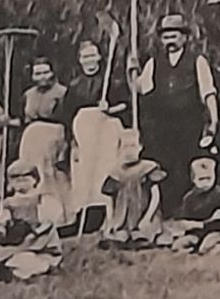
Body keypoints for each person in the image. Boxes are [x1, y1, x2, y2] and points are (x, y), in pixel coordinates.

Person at [131, 13, 217, 216]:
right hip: (163, 124)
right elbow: (140, 89)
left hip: (190, 122)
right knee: (165, 165)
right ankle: (167, 210)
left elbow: (208, 92)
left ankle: (192, 210)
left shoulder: (197, 61)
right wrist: (131, 72)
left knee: (188, 164)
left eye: (174, 36)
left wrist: (214, 120)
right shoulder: (154, 62)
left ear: (185, 38)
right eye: (165, 36)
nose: (169, 40)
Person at [66, 37, 127, 233]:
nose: (89, 60)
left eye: (93, 55)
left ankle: (108, 216)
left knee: (104, 170)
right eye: (85, 56)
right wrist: (73, 143)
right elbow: (68, 116)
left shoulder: (112, 81)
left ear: (99, 57)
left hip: (106, 130)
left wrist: (110, 108)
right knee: (84, 174)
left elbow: (126, 105)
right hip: (84, 133)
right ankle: (85, 217)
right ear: (79, 59)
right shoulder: (75, 86)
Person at [0, 159, 62, 281]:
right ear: (10, 183)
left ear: (35, 180)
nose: (21, 182)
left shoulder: (41, 199)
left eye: (26, 178)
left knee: (33, 259)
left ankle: (33, 267)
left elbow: (49, 220)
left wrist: (36, 232)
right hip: (16, 239)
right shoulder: (9, 202)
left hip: (38, 240)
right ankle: (13, 269)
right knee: (13, 257)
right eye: (16, 179)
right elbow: (4, 218)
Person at [18, 56, 72, 226]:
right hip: (30, 136)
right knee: (31, 173)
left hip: (53, 133)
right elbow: (22, 119)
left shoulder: (62, 92)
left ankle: (60, 216)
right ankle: (33, 214)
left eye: (45, 72)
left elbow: (67, 119)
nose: (42, 76)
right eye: (37, 73)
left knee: (49, 173)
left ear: (52, 73)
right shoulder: (28, 95)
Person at [102, 130, 166, 247]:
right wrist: (110, 219)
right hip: (122, 217)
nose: (129, 150)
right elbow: (109, 200)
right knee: (118, 236)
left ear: (140, 147)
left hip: (144, 214)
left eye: (133, 146)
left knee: (144, 234)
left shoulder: (148, 167)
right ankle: (122, 234)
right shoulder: (116, 172)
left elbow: (155, 196)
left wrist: (147, 217)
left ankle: (142, 234)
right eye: (125, 146)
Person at [165, 150, 220, 254]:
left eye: (209, 178)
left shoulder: (219, 194)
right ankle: (191, 249)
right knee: (177, 246)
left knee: (205, 248)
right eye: (201, 179)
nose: (205, 182)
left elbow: (219, 217)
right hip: (196, 233)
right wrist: (188, 225)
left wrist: (201, 224)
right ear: (194, 180)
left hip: (215, 231)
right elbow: (184, 220)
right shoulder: (189, 198)